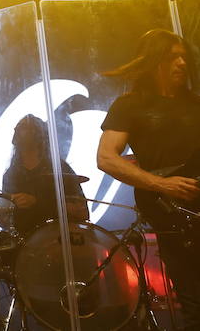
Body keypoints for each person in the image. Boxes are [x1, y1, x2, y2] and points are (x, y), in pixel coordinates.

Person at [97, 29, 200, 330]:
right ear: (154, 62)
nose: (182, 63)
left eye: (184, 57)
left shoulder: (195, 103)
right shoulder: (130, 105)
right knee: (193, 298)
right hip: (174, 215)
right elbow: (106, 158)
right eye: (172, 57)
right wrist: (162, 184)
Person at [2, 115, 87, 237]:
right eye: (23, 129)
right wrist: (6, 208)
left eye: (30, 129)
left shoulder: (59, 168)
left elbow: (82, 212)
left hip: (59, 240)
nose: (26, 133)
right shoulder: (11, 174)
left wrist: (37, 202)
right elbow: (4, 218)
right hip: (24, 242)